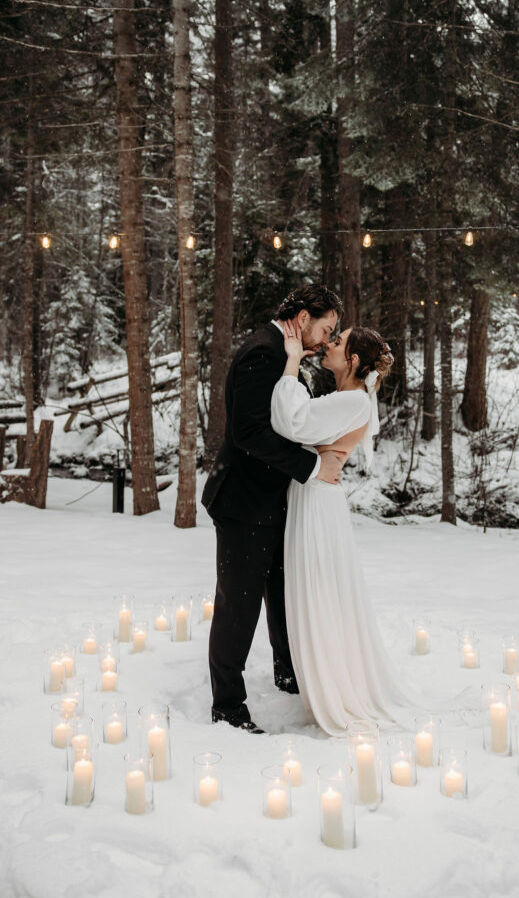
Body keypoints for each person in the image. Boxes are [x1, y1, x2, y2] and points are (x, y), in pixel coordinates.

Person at [202, 285, 344, 733]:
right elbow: (249, 433)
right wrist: (313, 466)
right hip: (244, 503)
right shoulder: (261, 354)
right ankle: (227, 705)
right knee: (237, 606)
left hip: (275, 501)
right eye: (325, 328)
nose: (326, 340)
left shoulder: (282, 353)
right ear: (303, 318)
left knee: (284, 594)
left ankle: (287, 672)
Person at [270, 321, 412, 735]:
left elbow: (291, 423)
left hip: (317, 502)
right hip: (313, 494)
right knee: (315, 587)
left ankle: (332, 683)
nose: (328, 345)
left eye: (338, 341)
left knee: (320, 589)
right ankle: (321, 674)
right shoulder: (347, 397)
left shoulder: (353, 401)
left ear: (352, 360)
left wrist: (293, 361)